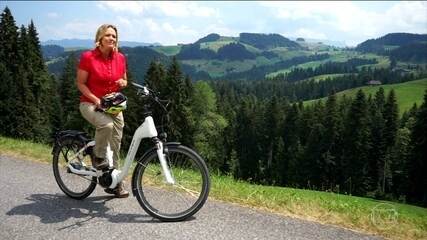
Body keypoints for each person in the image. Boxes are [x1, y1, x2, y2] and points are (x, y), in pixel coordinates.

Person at [76, 24, 129, 198]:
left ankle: (115, 183)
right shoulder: (88, 57)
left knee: (116, 145)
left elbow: (124, 80)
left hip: (113, 106)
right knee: (106, 126)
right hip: (90, 104)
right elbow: (81, 84)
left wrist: (123, 83)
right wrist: (96, 100)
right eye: (108, 35)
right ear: (99, 38)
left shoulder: (120, 57)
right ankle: (97, 156)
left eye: (114, 36)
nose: (112, 39)